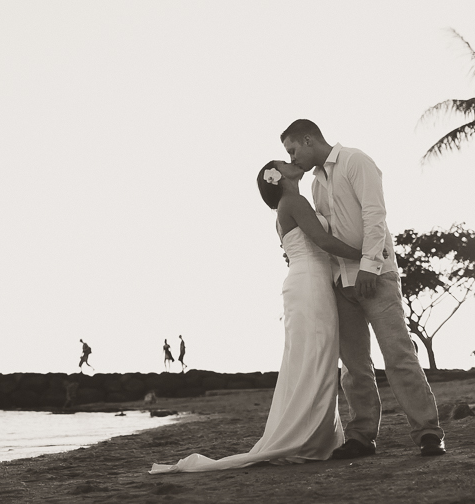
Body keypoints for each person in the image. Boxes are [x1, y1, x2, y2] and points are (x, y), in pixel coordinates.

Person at [150, 159, 366, 473]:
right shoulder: (293, 201)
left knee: (311, 358)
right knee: (314, 357)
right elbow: (322, 241)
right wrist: (369, 253)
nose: (293, 161)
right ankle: (307, 437)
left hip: (307, 282)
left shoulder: (289, 205)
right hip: (309, 285)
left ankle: (315, 435)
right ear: (278, 177)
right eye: (284, 161)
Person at [282, 119, 446, 458]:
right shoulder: (313, 186)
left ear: (309, 139)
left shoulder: (356, 161)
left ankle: (429, 433)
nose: (293, 158)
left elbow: (375, 215)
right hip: (340, 283)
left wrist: (370, 266)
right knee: (354, 367)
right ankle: (361, 436)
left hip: (376, 277)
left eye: (293, 150)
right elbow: (324, 237)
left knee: (399, 355)